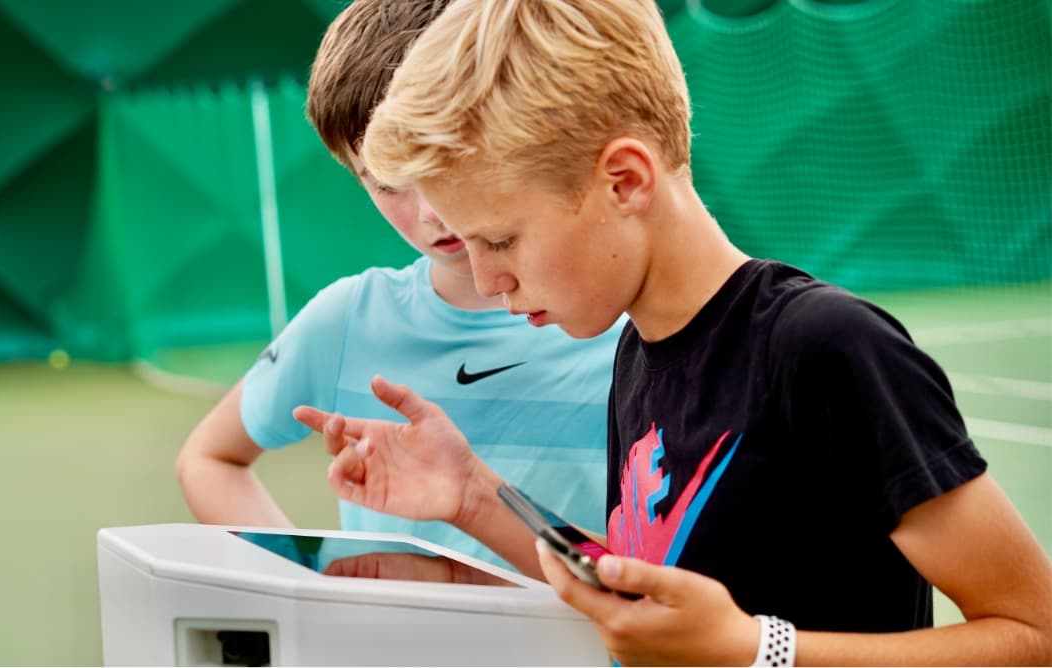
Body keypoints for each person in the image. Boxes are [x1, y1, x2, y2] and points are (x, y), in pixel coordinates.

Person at [291, 0, 1052, 664]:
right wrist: (475, 497)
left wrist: (761, 651)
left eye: (501, 241)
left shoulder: (823, 348)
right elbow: (642, 582)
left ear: (623, 180)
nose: (488, 281)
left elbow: (1031, 633)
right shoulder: (634, 349)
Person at [175, 0, 624, 569]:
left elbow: (647, 582)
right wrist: (313, 584)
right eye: (388, 182)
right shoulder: (347, 318)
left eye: (447, 161)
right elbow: (209, 458)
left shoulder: (627, 326)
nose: (432, 211)